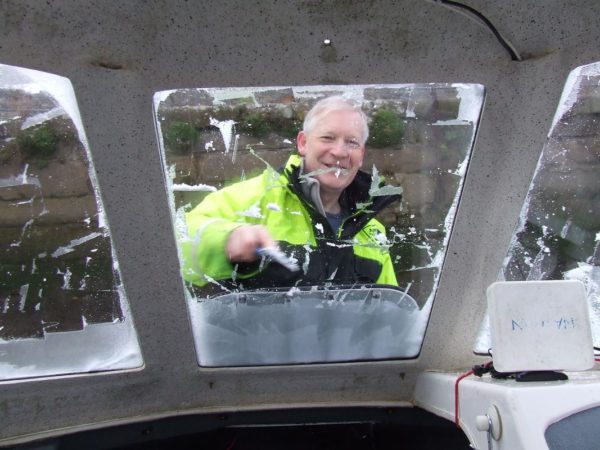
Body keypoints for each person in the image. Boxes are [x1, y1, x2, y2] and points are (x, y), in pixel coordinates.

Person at [181, 95, 401, 290]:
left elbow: (391, 315)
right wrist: (226, 240)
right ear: (303, 143)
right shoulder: (255, 199)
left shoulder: (374, 233)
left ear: (361, 155)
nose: (339, 152)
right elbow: (180, 240)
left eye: (352, 142)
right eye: (327, 138)